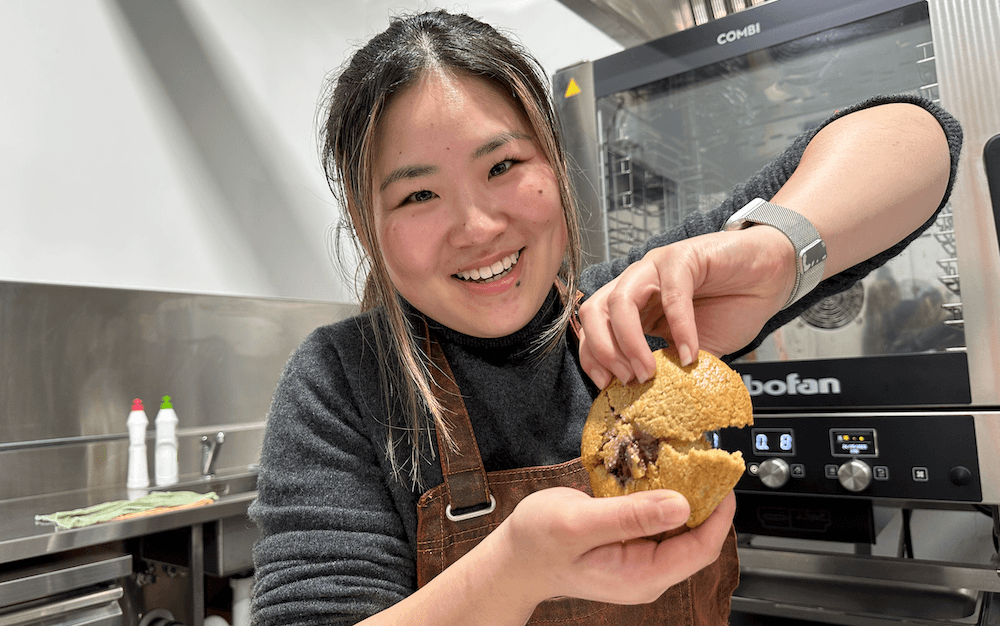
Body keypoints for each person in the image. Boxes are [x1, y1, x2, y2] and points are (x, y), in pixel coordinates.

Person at [248, 9, 961, 626]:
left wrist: (775, 252)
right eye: (418, 196)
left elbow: (922, 137)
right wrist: (513, 572)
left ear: (555, 166)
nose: (478, 228)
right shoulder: (340, 383)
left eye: (502, 166)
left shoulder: (638, 310)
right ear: (367, 224)